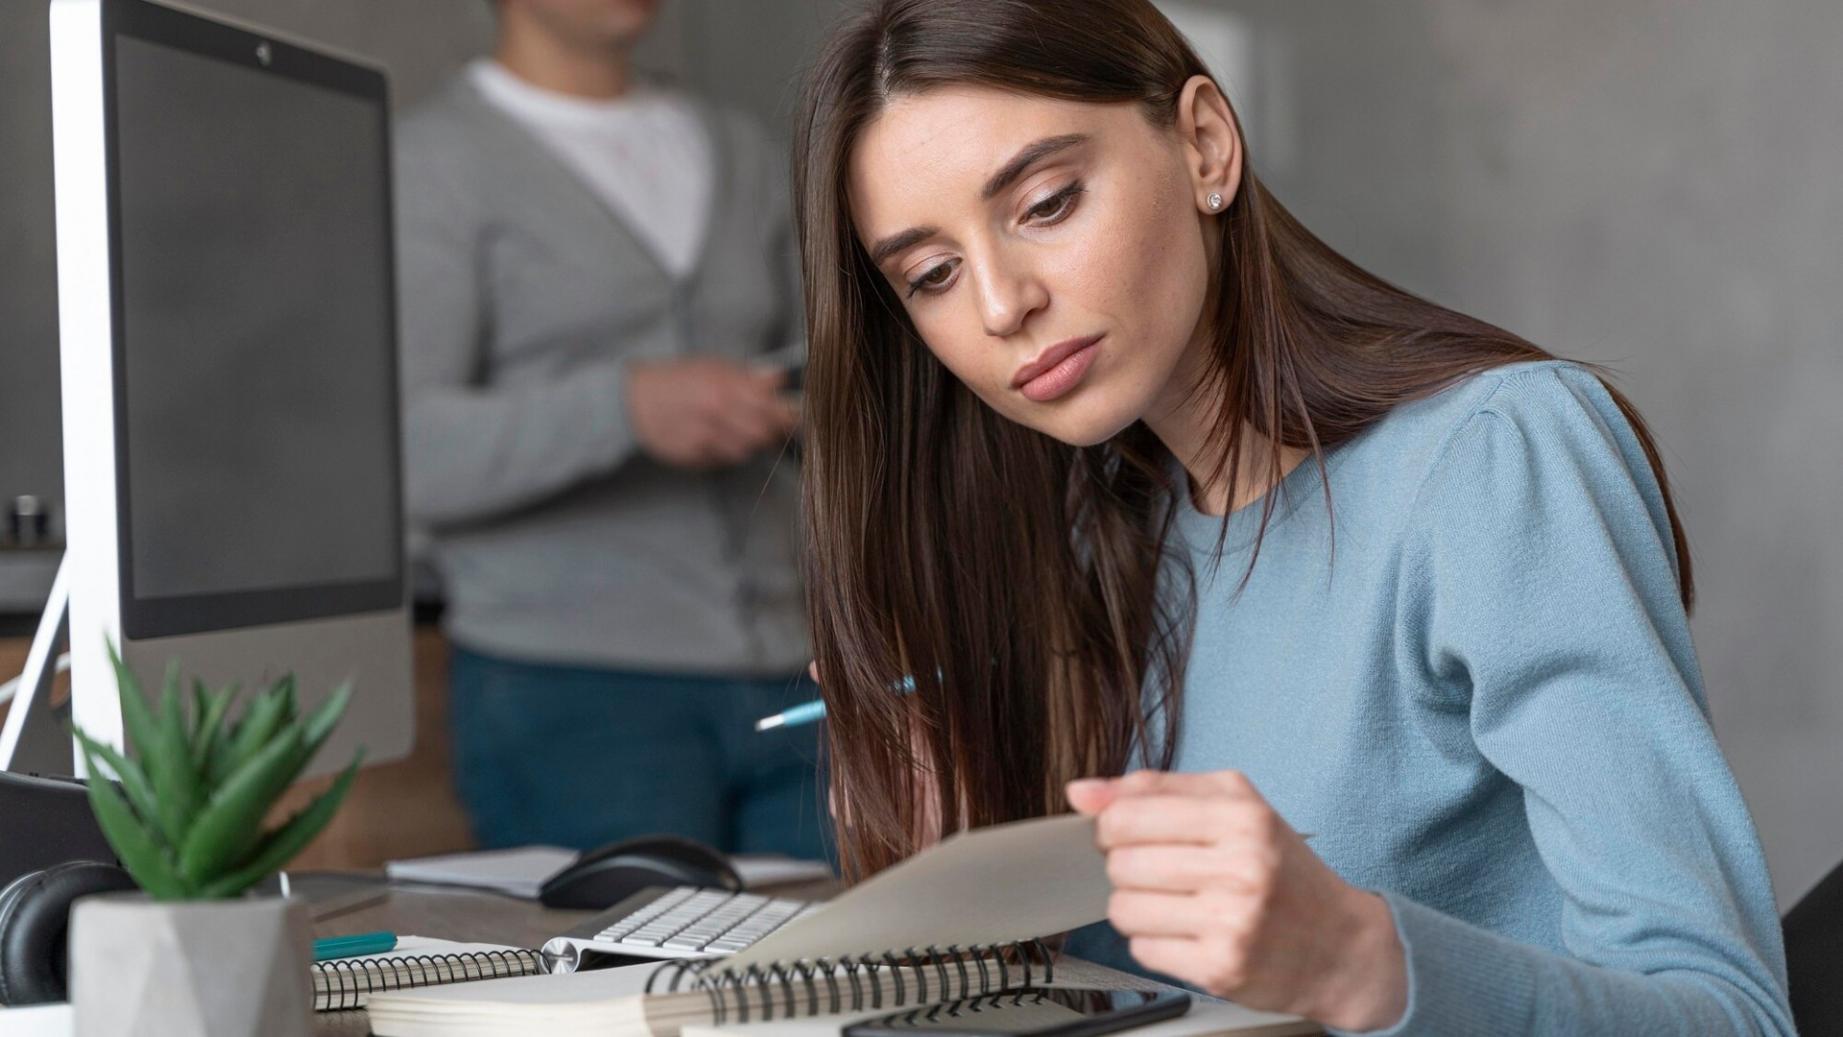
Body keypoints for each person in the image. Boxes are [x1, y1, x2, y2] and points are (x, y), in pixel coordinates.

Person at [789, 1, 1795, 1033]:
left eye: (1045, 202)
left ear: (1205, 146)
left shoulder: (1494, 458)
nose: (1000, 304)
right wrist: (961, 856)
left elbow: (1731, 1014)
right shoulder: (1105, 538)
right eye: (932, 274)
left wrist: (1363, 960)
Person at [393, 0, 825, 860]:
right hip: (572, 696)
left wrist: (806, 407)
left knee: (846, 975)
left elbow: (825, 364)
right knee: (627, 986)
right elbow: (402, 453)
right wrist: (622, 408)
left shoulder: (739, 148)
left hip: (795, 669)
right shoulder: (433, 164)